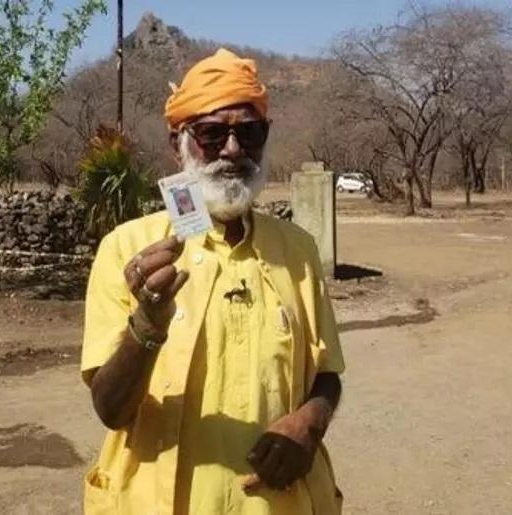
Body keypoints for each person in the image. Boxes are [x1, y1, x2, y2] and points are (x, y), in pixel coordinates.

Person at [81, 48, 345, 515]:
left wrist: (310, 422)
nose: (232, 149)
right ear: (177, 143)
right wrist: (146, 327)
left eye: (249, 132)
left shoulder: (298, 251)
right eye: (211, 133)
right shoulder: (127, 250)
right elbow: (111, 410)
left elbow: (326, 374)